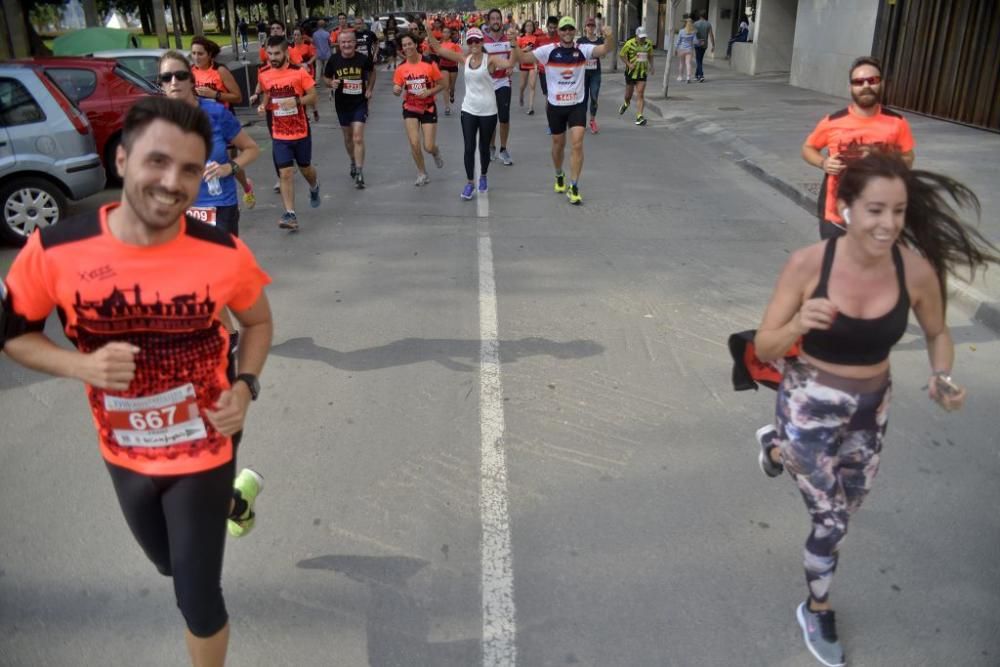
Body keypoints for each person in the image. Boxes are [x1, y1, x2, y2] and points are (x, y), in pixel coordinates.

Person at [1, 95, 273, 667]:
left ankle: (222, 492)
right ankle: (234, 500)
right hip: (125, 450)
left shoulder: (223, 253)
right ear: (122, 160)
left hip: (206, 442)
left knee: (196, 596)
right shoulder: (53, 251)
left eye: (191, 169)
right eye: (157, 161)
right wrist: (81, 366)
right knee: (169, 562)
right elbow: (13, 335)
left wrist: (245, 386)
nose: (172, 182)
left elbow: (258, 321)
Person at [752, 151, 999, 667]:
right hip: (808, 405)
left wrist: (942, 374)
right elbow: (766, 345)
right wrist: (799, 323)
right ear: (845, 208)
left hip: (871, 409)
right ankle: (816, 606)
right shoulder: (807, 265)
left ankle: (775, 447)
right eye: (876, 210)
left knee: (854, 499)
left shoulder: (916, 271)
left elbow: (937, 333)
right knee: (833, 518)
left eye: (899, 211)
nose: (889, 224)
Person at [802, 57, 916, 239]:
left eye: (872, 80)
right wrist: (823, 163)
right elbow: (808, 149)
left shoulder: (897, 123)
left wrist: (883, 157)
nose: (865, 86)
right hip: (836, 214)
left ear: (882, 84)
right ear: (851, 88)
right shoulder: (832, 122)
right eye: (858, 82)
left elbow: (908, 159)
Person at [515, 16, 614, 205]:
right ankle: (559, 174)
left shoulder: (582, 49)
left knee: (577, 144)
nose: (567, 33)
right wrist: (514, 44)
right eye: (564, 29)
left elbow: (604, 49)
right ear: (559, 32)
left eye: (571, 29)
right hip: (555, 106)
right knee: (558, 144)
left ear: (574, 31)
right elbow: (524, 58)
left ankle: (574, 186)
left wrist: (609, 37)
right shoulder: (548, 51)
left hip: (577, 105)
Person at [427, 27, 517, 199]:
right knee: (469, 147)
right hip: (468, 109)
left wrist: (513, 44)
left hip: (488, 110)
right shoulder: (464, 58)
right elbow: (438, 49)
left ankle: (483, 176)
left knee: (484, 147)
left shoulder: (490, 59)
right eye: (470, 42)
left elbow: (510, 63)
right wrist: (428, 29)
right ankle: (470, 183)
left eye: (477, 41)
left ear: (482, 42)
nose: (474, 44)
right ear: (467, 44)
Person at [254, 36, 321, 231]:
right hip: (279, 133)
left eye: (277, 53)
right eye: (270, 53)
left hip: (300, 131)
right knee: (285, 173)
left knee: (305, 168)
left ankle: (314, 186)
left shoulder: (299, 73)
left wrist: (298, 102)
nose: (273, 57)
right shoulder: (264, 74)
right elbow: (268, 93)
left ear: (285, 53)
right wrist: (263, 105)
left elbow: (313, 96)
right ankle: (290, 214)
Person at [189, 36, 257, 208]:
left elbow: (238, 96)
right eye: (193, 53)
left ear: (210, 54)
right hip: (202, 122)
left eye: (200, 54)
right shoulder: (190, 72)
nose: (196, 57)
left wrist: (215, 95)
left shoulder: (220, 71)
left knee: (227, 158)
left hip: (223, 119)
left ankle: (245, 187)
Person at [325, 29, 376, 189]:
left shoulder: (363, 59)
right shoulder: (333, 60)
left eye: (349, 41)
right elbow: (326, 77)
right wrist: (330, 84)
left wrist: (369, 89)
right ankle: (353, 161)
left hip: (359, 103)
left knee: (358, 137)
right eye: (343, 42)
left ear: (355, 43)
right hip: (342, 104)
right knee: (348, 138)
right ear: (339, 44)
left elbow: (372, 72)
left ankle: (360, 172)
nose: (346, 45)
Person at [392, 34, 445, 186]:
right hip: (410, 107)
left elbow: (442, 84)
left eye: (410, 44)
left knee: (428, 146)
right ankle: (422, 173)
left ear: (416, 44)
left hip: (428, 107)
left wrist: (429, 92)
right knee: (414, 143)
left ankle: (435, 151)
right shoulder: (401, 68)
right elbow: (397, 86)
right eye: (404, 45)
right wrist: (396, 89)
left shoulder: (429, 63)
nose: (407, 47)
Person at [483, 8, 514, 165]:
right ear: (489, 21)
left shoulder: (507, 40)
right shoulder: (483, 41)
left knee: (504, 117)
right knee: (490, 118)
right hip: (488, 84)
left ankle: (503, 149)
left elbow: (513, 57)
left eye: (498, 18)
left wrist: (511, 67)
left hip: (503, 82)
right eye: (493, 19)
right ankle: (491, 147)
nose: (495, 21)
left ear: (501, 21)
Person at [618, 26, 654, 126]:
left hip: (642, 73)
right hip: (631, 73)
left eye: (644, 37)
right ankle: (626, 103)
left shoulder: (648, 43)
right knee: (628, 95)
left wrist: (652, 66)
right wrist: (629, 64)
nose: (643, 39)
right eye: (641, 37)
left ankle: (639, 116)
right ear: (636, 35)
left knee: (640, 94)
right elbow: (621, 54)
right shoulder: (629, 43)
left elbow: (650, 55)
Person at [576, 17, 604, 134]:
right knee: (583, 98)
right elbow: (575, 56)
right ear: (585, 27)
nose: (590, 28)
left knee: (594, 96)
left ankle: (592, 120)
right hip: (583, 73)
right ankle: (582, 121)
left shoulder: (599, 41)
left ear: (595, 27)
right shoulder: (581, 41)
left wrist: (599, 53)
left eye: (592, 26)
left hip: (595, 73)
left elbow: (604, 55)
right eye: (588, 26)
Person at [289, 28, 319, 121]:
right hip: (296, 72)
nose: (296, 37)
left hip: (308, 71)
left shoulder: (307, 45)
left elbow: (315, 55)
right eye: (294, 35)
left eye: (298, 35)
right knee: (300, 93)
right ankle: (306, 114)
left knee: (308, 92)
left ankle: (314, 109)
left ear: (302, 36)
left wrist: (309, 63)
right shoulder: (290, 47)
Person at [435, 27, 462, 115]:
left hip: (453, 67)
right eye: (444, 32)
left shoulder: (454, 45)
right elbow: (437, 54)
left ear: (450, 34)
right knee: (445, 86)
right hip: (443, 66)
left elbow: (459, 56)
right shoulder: (440, 44)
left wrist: (451, 56)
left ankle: (452, 94)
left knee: (452, 87)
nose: (445, 34)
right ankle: (447, 107)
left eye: (447, 32)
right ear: (442, 34)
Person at [516, 20, 538, 114]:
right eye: (527, 26)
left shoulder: (536, 39)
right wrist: (526, 49)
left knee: (532, 86)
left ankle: (531, 107)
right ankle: (521, 95)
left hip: (533, 64)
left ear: (533, 28)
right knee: (522, 85)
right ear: (524, 27)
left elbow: (539, 51)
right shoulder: (520, 39)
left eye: (531, 26)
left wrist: (537, 64)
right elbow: (517, 52)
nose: (529, 27)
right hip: (524, 63)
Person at [535, 16, 559, 100]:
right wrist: (536, 66)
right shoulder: (539, 39)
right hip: (543, 71)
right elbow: (535, 54)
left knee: (555, 95)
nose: (552, 30)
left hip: (557, 72)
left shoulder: (560, 39)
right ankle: (549, 112)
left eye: (555, 28)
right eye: (550, 27)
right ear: (547, 26)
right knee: (547, 96)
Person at [692, 10, 714, 82]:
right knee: (700, 59)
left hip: (697, 43)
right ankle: (696, 75)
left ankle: (701, 75)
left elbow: (692, 34)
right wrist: (713, 45)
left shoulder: (695, 24)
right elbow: (711, 35)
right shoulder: (708, 24)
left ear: (700, 16)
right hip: (704, 44)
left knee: (698, 60)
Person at [674, 16, 697, 83]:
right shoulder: (693, 32)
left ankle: (680, 76)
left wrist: (676, 48)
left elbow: (678, 41)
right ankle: (688, 77)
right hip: (689, 49)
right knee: (688, 63)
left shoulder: (681, 31)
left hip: (681, 49)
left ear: (686, 23)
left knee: (681, 63)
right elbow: (695, 41)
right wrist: (699, 43)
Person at [311, 19, 332, 86]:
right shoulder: (327, 33)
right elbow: (330, 43)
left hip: (318, 53)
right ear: (324, 25)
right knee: (326, 68)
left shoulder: (314, 34)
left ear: (318, 25)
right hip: (326, 53)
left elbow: (313, 43)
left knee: (318, 68)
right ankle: (327, 82)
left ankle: (317, 82)